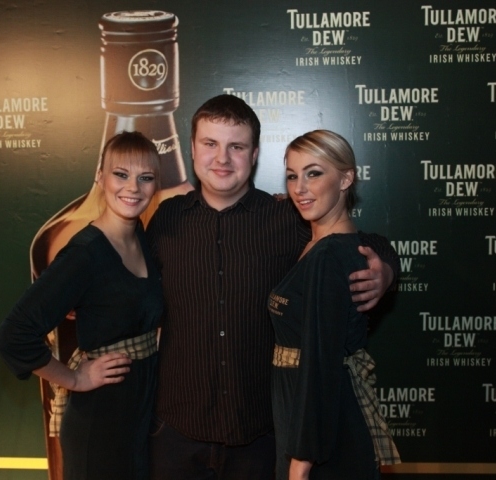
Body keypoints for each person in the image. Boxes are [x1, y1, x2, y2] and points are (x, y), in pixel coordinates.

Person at [147, 95, 399, 479]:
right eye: (210, 143)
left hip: (263, 437)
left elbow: (354, 239)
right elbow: (130, 278)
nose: (222, 158)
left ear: (254, 154)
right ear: (192, 148)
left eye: (236, 146)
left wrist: (387, 270)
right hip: (176, 434)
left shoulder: (288, 217)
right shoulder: (167, 218)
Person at [0, 131, 164, 480]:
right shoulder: (84, 253)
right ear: (99, 177)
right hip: (99, 424)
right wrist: (74, 378)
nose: (133, 187)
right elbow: (15, 335)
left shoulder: (142, 238)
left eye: (145, 177)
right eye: (121, 174)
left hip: (138, 420)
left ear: (155, 185)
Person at [270, 130, 400, 480]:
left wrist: (301, 461)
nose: (300, 188)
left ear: (345, 179)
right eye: (292, 176)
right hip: (311, 417)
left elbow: (321, 362)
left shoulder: (330, 254)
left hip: (320, 433)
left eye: (313, 173)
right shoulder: (318, 244)